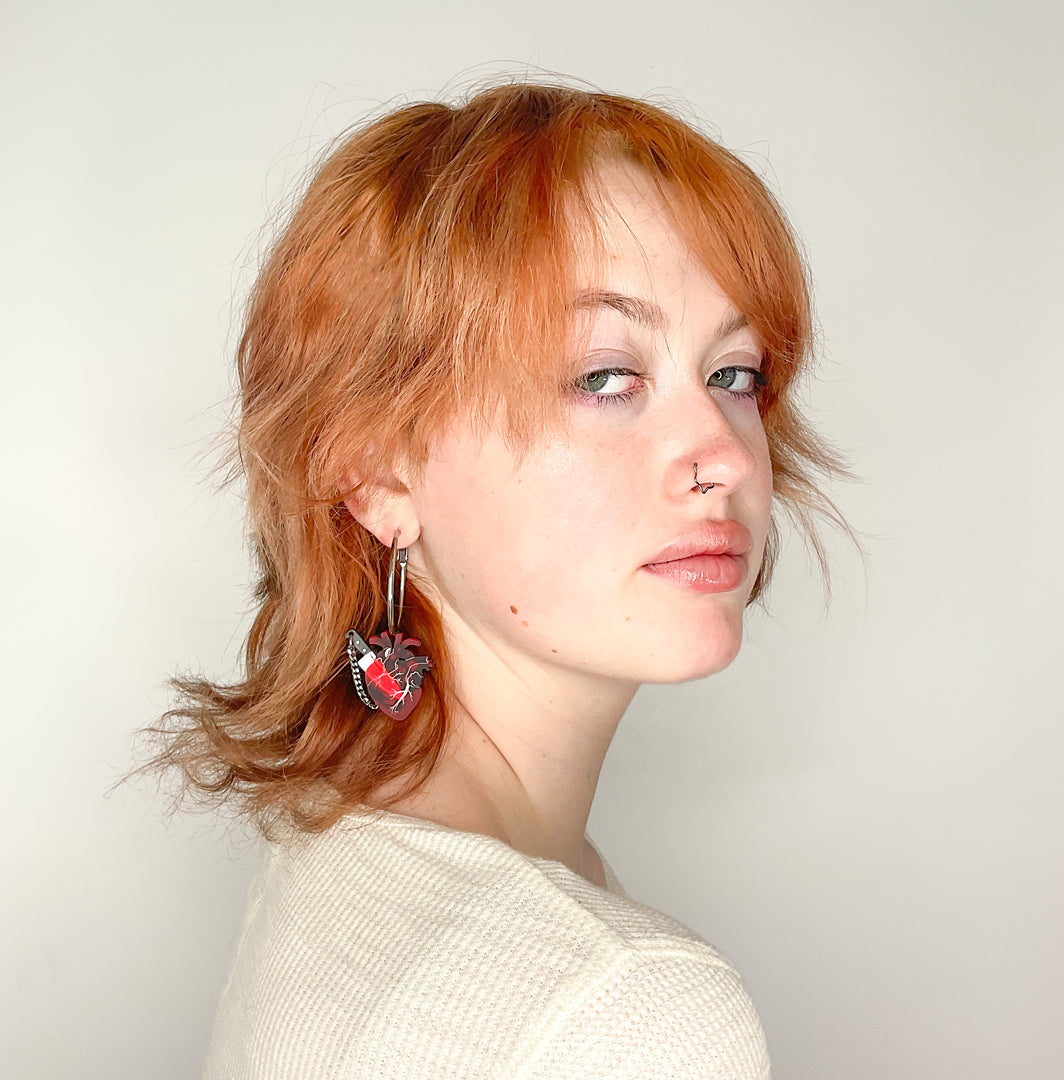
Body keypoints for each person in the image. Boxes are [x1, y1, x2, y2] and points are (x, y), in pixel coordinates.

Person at [149, 78, 857, 1079]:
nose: (724, 458)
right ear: (379, 472)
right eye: (605, 375)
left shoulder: (339, 844)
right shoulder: (624, 1004)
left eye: (731, 373)